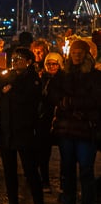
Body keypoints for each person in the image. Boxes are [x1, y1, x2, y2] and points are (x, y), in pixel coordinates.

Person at [0, 47, 47, 204]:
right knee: (9, 172)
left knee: (31, 173)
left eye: (20, 58)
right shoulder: (9, 76)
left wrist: (10, 90)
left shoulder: (33, 78)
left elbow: (28, 100)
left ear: (28, 61)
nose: (16, 61)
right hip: (6, 132)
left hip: (24, 132)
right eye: (15, 58)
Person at [49, 39, 101, 204]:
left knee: (86, 171)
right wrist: (63, 102)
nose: (76, 55)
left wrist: (71, 103)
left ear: (86, 54)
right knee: (67, 170)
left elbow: (95, 99)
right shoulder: (63, 75)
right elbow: (52, 93)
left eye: (80, 52)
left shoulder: (95, 76)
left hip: (86, 130)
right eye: (74, 52)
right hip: (66, 130)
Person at [37, 51, 63, 193]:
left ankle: (63, 184)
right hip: (45, 120)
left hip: (60, 119)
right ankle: (45, 181)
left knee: (65, 155)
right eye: (49, 64)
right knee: (43, 153)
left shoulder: (63, 79)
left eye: (55, 64)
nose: (52, 67)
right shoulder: (43, 79)